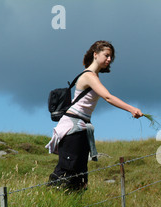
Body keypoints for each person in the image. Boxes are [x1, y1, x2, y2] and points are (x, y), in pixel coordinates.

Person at [46, 40, 143, 190]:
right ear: (95, 54)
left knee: (80, 172)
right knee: (68, 169)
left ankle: (74, 204)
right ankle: (52, 198)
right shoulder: (89, 76)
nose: (109, 59)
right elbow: (108, 97)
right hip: (73, 127)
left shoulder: (94, 77)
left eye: (111, 57)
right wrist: (131, 109)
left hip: (81, 127)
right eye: (107, 55)